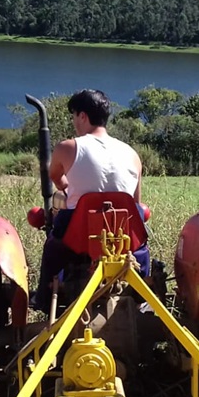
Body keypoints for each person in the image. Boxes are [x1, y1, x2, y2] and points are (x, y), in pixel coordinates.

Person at [31, 89, 144, 312]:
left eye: (74, 116)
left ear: (82, 116)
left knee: (53, 248)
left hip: (78, 233)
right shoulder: (132, 153)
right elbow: (136, 202)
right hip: (122, 234)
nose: (74, 122)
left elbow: (54, 176)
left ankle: (44, 299)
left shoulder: (68, 147)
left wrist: (66, 187)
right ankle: (142, 299)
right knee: (142, 249)